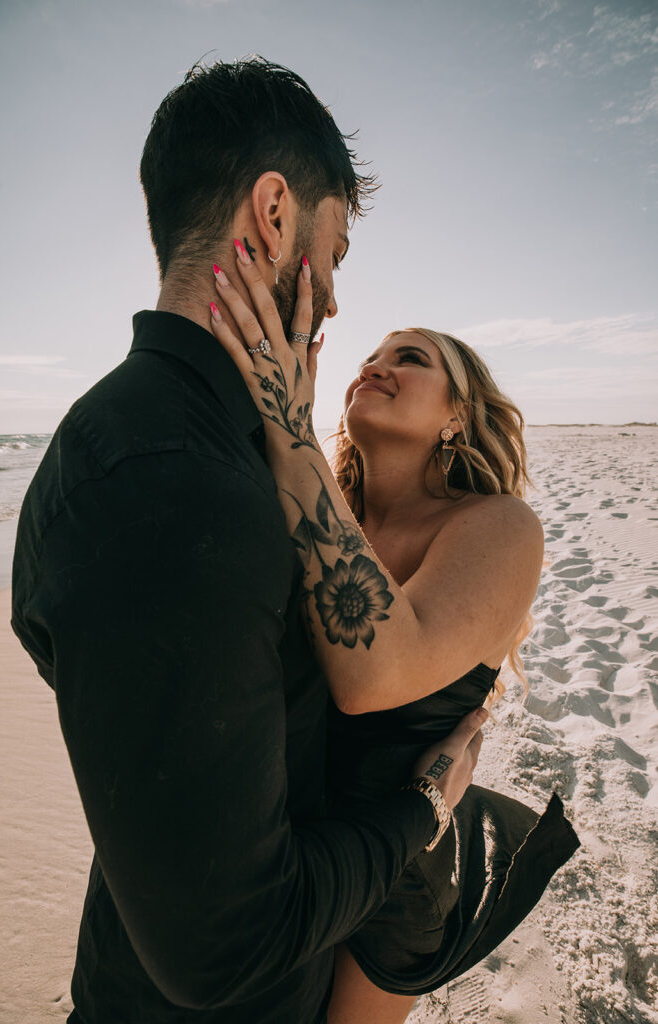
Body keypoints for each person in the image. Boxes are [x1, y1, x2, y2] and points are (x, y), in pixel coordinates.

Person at [11, 57, 491, 1024]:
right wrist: (423, 810)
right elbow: (225, 952)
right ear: (275, 214)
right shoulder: (175, 484)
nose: (341, 303)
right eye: (338, 251)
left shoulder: (154, 442)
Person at [206, 253, 580, 1023]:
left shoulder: (494, 525)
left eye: (408, 359)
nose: (373, 368)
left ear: (457, 416)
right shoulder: (312, 512)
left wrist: (288, 425)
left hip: (394, 866)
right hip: (275, 838)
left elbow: (372, 676)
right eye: (369, 358)